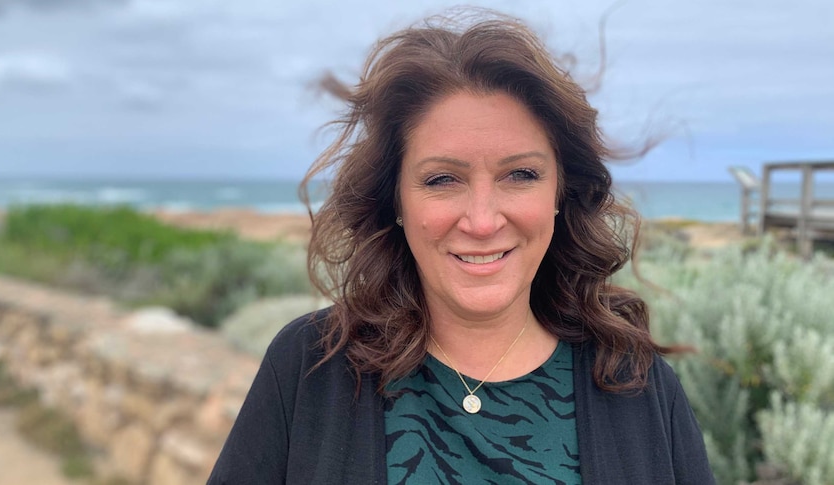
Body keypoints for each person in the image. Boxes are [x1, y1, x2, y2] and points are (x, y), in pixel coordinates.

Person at [208, 10, 715, 485]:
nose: (481, 220)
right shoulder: (310, 366)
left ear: (561, 192)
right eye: (442, 179)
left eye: (521, 174)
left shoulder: (639, 388)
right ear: (396, 199)